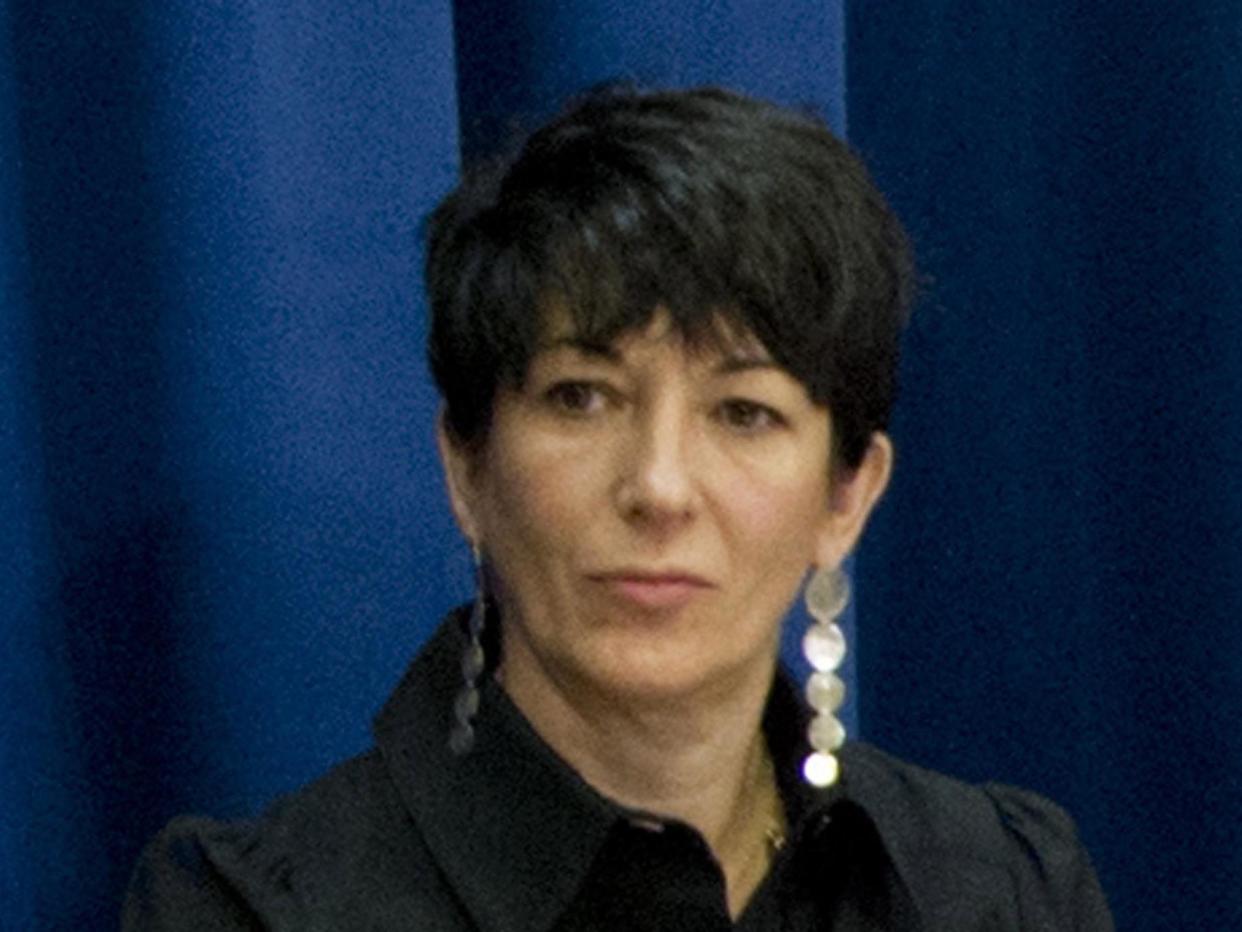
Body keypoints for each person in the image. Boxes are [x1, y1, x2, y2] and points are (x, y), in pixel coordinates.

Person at [123, 86, 1114, 930]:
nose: (660, 487)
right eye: (581, 396)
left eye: (744, 410)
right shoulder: (256, 908)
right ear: (467, 467)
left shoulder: (1004, 885)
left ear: (847, 495)